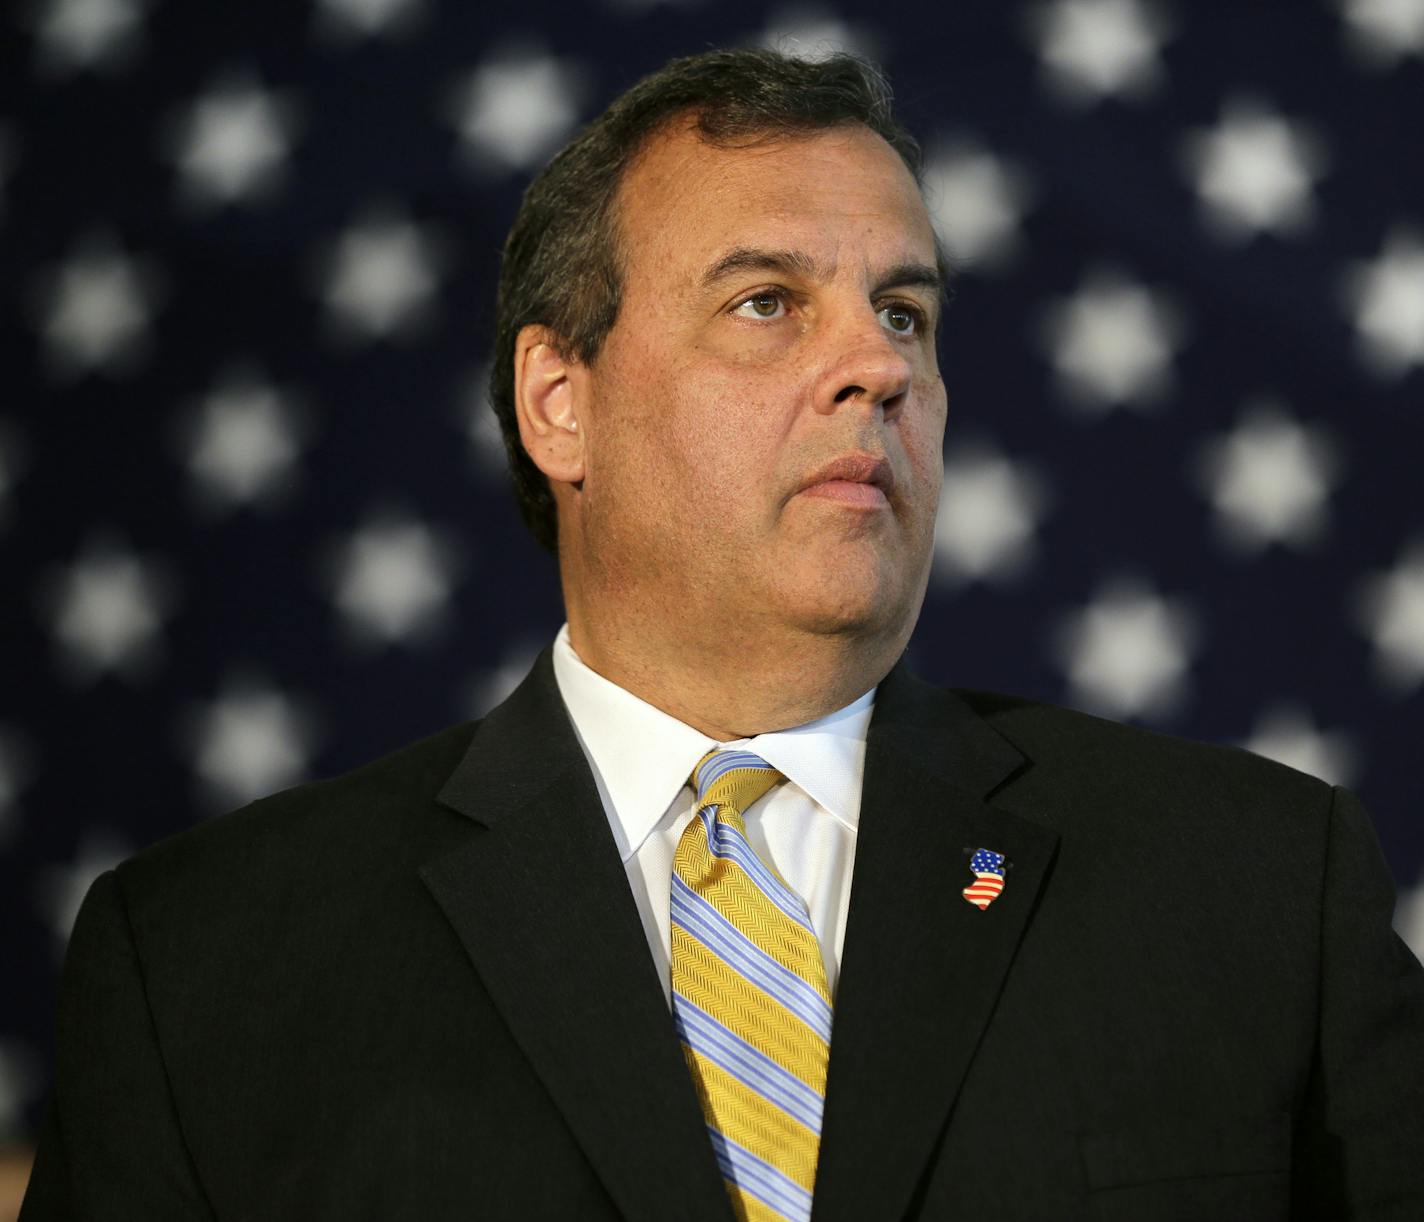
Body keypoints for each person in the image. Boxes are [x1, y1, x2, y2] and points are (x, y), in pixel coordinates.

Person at [20, 48, 1424, 1222]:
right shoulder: (205, 967)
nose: (878, 364)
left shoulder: (1253, 892)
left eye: (907, 312)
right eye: (768, 304)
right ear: (558, 402)